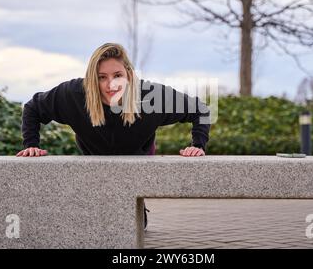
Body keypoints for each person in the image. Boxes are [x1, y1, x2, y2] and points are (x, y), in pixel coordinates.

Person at [16, 42, 211, 229]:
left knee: (129, 227)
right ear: (93, 78)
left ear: (129, 74)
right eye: (102, 77)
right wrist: (30, 144)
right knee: (92, 227)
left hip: (136, 166)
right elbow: (33, 108)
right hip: (94, 168)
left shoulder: (151, 96)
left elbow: (200, 109)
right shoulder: (73, 94)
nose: (111, 85)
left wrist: (198, 145)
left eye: (118, 75)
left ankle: (137, 208)